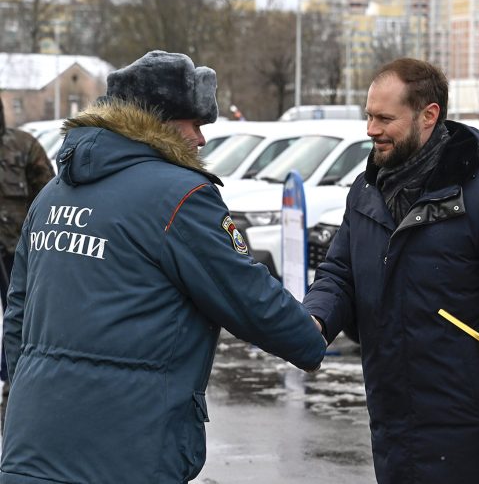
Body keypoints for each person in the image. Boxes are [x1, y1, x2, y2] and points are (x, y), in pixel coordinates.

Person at [1, 51, 327, 484]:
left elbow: (16, 316)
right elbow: (244, 292)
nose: (201, 139)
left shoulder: (52, 196)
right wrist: (309, 337)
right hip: (127, 450)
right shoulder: (180, 196)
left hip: (32, 445)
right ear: (160, 121)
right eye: (195, 123)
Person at [304, 58, 479, 483]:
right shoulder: (366, 191)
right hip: (391, 420)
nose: (371, 129)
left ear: (429, 116)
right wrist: (314, 319)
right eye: (368, 116)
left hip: (473, 430)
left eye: (385, 118)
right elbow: (339, 274)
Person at [0, 97, 54, 390]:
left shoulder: (23, 145)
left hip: (15, 250)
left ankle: (14, 380)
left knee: (18, 316)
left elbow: (49, 196)